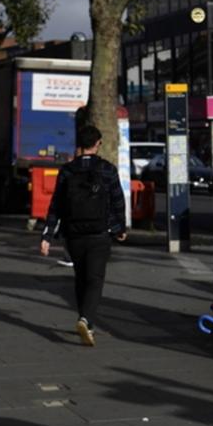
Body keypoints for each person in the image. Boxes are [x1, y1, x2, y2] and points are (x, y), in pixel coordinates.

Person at [40, 125, 126, 347]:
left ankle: (85, 322)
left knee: (81, 277)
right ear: (97, 143)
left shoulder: (67, 170)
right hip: (99, 233)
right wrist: (120, 228)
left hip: (74, 234)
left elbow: (56, 204)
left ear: (79, 145)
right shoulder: (107, 169)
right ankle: (86, 320)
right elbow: (117, 200)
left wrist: (47, 235)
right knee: (95, 279)